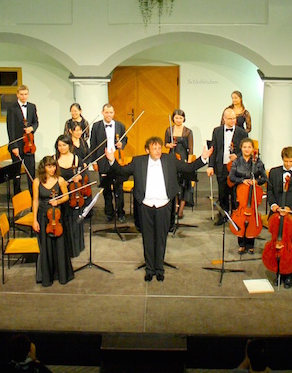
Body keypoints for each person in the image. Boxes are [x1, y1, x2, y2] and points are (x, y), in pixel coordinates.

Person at [106, 136, 211, 281]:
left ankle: (159, 268)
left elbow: (189, 168)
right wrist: (112, 160)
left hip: (164, 204)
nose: (157, 151)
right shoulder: (138, 161)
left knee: (161, 238)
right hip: (145, 205)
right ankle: (149, 269)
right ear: (147, 149)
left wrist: (202, 159)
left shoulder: (170, 159)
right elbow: (121, 171)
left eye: (159, 148)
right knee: (147, 238)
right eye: (154, 148)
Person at [266, 146, 292, 288]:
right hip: (277, 215)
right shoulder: (274, 172)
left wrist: (291, 208)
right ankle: (278, 271)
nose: (288, 164)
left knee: (291, 245)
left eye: (291, 162)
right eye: (286, 161)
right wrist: (273, 205)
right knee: (277, 244)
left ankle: (289, 273)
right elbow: (270, 191)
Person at [31, 155, 74, 286]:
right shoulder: (37, 182)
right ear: (43, 167)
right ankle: (47, 276)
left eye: (54, 166)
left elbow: (66, 196)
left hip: (56, 216)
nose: (52, 169)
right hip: (44, 217)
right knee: (46, 246)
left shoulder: (60, 180)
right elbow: (35, 201)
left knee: (59, 245)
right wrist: (34, 220)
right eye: (49, 166)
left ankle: (62, 275)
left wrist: (58, 201)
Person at [209, 107, 248, 225]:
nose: (232, 121)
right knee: (222, 193)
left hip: (236, 169)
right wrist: (211, 166)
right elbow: (214, 149)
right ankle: (223, 216)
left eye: (234, 119)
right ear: (224, 119)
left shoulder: (242, 132)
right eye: (230, 119)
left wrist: (237, 155)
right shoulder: (217, 131)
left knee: (236, 194)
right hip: (221, 167)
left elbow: (246, 150)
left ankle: (236, 217)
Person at [90, 103, 128, 222]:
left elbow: (125, 139)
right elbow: (93, 145)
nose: (109, 115)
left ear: (114, 113)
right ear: (102, 113)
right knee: (106, 188)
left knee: (119, 187)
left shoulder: (120, 126)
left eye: (111, 112)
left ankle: (120, 212)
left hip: (116, 159)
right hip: (102, 160)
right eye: (106, 112)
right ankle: (109, 212)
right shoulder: (96, 126)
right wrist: (94, 162)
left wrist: (122, 144)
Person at [230, 138, 267, 254]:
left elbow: (264, 178)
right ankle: (241, 243)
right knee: (240, 218)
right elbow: (232, 177)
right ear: (241, 148)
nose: (247, 149)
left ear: (253, 149)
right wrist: (242, 180)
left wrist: (256, 181)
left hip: (253, 194)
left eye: (249, 147)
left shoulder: (258, 162)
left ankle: (250, 243)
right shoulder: (237, 161)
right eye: (244, 147)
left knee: (251, 217)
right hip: (239, 193)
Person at [56, 134, 86, 258]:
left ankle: (75, 248)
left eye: (64, 145)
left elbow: (83, 174)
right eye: (59, 145)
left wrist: (79, 177)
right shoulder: (54, 159)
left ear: (69, 145)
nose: (62, 148)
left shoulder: (76, 158)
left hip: (74, 194)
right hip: (60, 194)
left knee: (74, 220)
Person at [7, 85, 38, 195]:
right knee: (16, 172)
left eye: (25, 94)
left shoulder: (32, 107)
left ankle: (32, 192)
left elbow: (36, 122)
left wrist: (32, 128)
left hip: (29, 144)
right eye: (21, 94)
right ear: (17, 95)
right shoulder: (12, 108)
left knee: (31, 170)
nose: (24, 96)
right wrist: (14, 146)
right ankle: (17, 193)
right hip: (17, 145)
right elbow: (10, 129)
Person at [164, 109, 195, 219]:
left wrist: (189, 163)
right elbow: (165, 144)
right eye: (176, 118)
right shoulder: (169, 130)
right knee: (173, 183)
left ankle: (180, 210)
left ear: (183, 119)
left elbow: (191, 149)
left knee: (183, 185)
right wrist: (169, 145)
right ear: (173, 118)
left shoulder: (188, 131)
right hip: (172, 157)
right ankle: (174, 208)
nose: (178, 120)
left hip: (183, 159)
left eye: (180, 118)